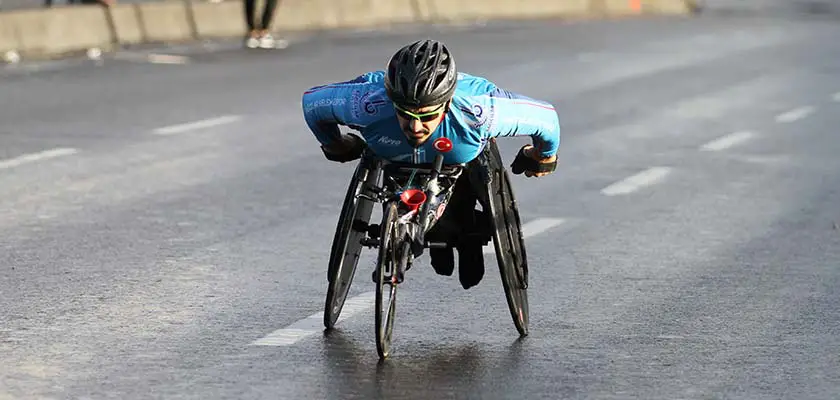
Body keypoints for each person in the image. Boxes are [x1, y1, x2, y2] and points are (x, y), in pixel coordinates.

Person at [301, 39, 560, 289]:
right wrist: (335, 144)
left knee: (475, 170)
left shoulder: (480, 110)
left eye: (426, 116)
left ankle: (465, 219)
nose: (415, 127)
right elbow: (311, 104)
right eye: (405, 114)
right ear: (391, 101)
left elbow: (546, 119)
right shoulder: (366, 102)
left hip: (459, 154)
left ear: (446, 104)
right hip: (392, 155)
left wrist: (542, 157)